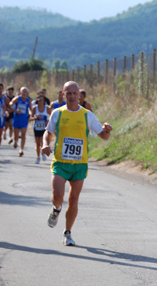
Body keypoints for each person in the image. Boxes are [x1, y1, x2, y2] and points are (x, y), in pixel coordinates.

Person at [42, 80, 112, 246]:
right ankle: (56, 209)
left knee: (73, 200)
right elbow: (48, 132)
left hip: (79, 165)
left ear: (79, 96)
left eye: (75, 93)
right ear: (63, 95)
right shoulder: (57, 113)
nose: (72, 96)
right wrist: (45, 144)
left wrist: (107, 130)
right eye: (69, 93)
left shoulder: (87, 115)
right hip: (60, 162)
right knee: (58, 197)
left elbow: (103, 136)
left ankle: (67, 233)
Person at [9, 87, 31, 156]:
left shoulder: (28, 100)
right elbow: (10, 104)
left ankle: (21, 149)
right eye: (23, 92)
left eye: (25, 92)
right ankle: (15, 141)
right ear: (20, 92)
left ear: (27, 93)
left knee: (23, 134)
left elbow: (31, 109)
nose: (24, 93)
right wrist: (15, 110)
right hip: (17, 119)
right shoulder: (17, 98)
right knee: (16, 134)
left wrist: (30, 114)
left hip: (24, 119)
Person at [30, 95, 51, 163]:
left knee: (43, 143)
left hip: (44, 128)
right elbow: (30, 118)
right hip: (36, 128)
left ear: (44, 102)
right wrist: (35, 117)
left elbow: (51, 116)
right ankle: (38, 157)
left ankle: (42, 154)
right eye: (39, 100)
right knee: (38, 144)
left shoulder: (47, 108)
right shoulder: (34, 108)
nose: (40, 102)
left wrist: (48, 121)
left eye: (41, 100)